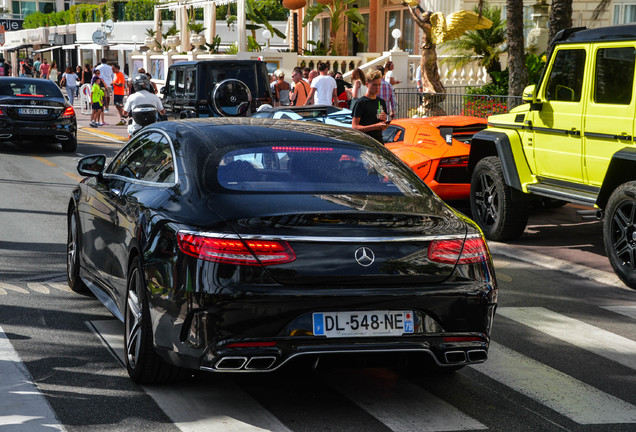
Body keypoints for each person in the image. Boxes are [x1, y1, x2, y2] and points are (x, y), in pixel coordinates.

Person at [123, 74, 165, 139]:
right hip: (152, 125)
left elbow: (125, 113)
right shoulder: (154, 97)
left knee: (130, 131)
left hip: (136, 127)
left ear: (135, 86)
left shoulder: (131, 97)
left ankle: (129, 147)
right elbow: (162, 112)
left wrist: (125, 115)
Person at [351, 70, 389, 143]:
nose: (377, 87)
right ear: (367, 84)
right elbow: (355, 127)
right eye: (374, 85)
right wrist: (375, 126)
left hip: (378, 141)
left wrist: (384, 121)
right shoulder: (361, 103)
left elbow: (382, 126)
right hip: (364, 142)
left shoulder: (381, 102)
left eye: (379, 84)